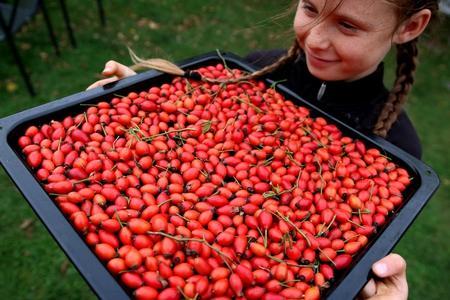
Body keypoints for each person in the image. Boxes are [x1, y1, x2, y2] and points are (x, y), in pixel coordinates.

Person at [87, 0, 438, 298]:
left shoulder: (396, 148)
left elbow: (362, 240)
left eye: (347, 26)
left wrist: (373, 283)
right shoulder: (254, 69)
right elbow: (196, 114)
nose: (315, 38)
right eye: (310, 7)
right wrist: (141, 98)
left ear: (410, 27)